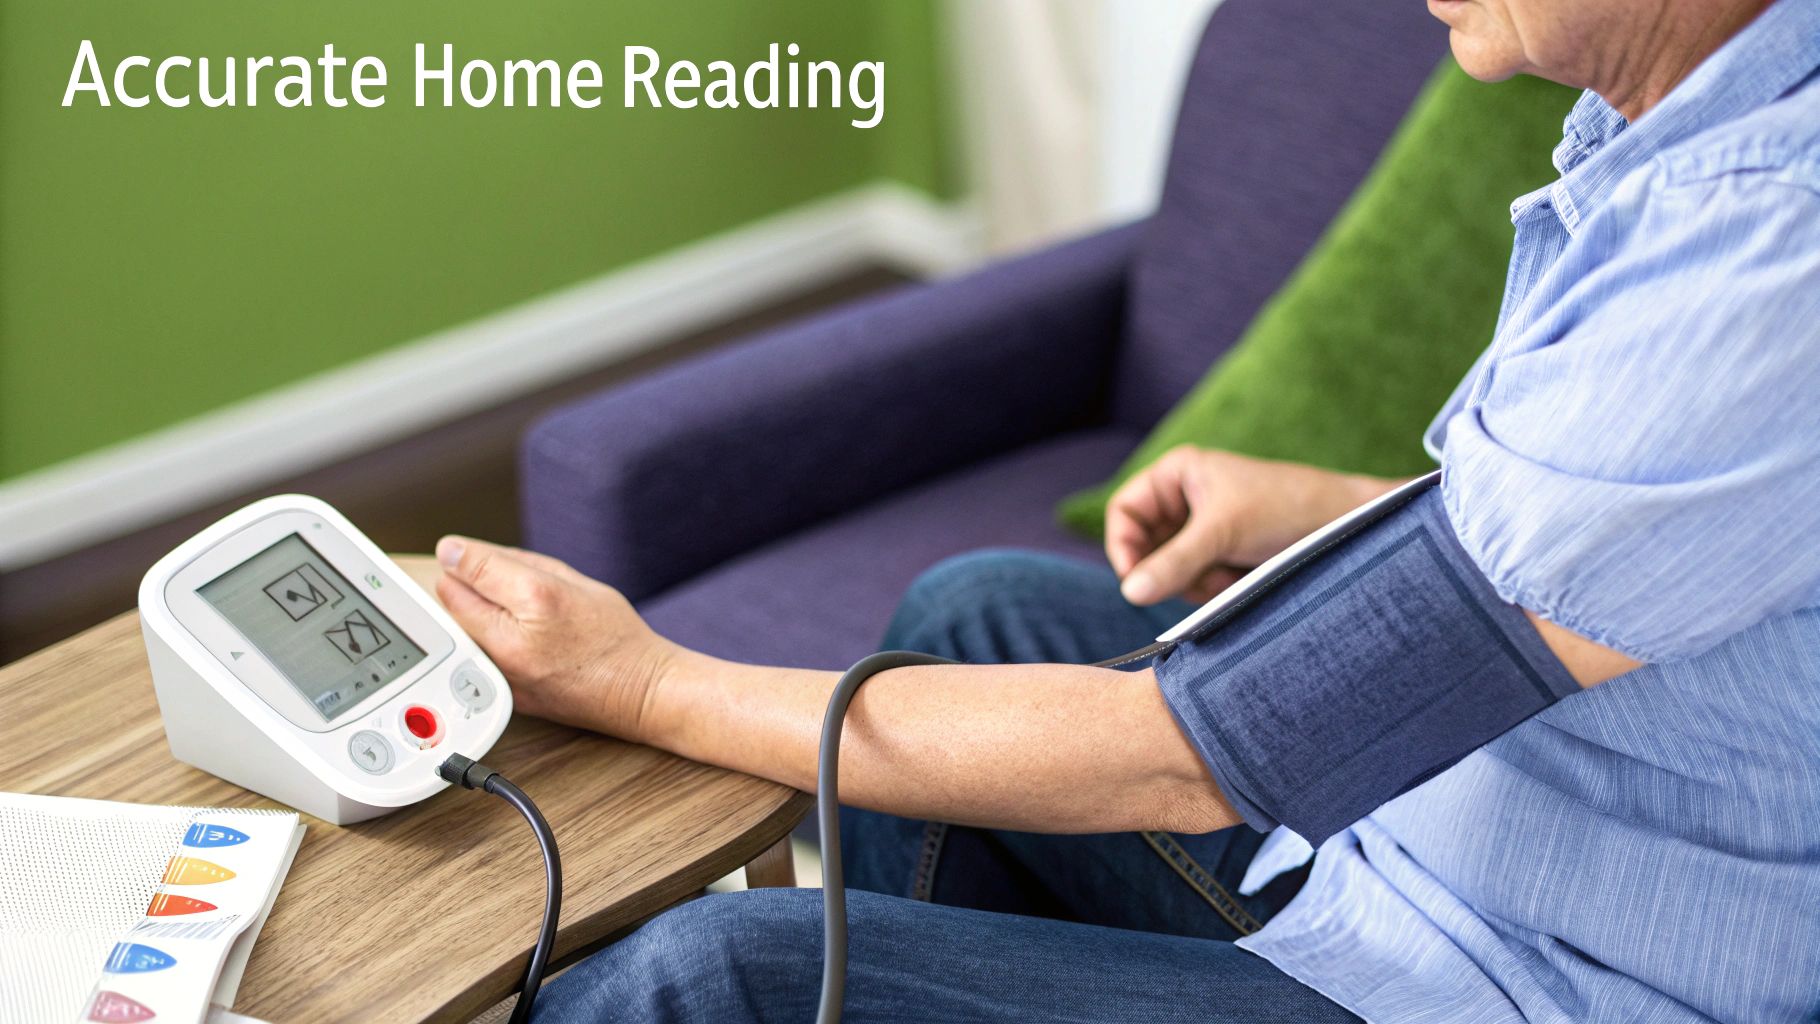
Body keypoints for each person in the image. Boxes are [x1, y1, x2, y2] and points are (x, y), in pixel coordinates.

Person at [433, 0, 1820, 1019]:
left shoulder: (1771, 248)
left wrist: (646, 681)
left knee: (698, 985)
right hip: (1440, 825)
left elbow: (1193, 755)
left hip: (1543, 979)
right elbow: (1668, 520)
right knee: (974, 614)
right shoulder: (1693, 126)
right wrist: (1323, 507)